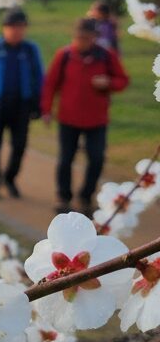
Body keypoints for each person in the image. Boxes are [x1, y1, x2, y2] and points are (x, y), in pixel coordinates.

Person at [41, 17, 130, 215]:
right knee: (65, 159)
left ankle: (86, 196)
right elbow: (50, 84)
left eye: (86, 38)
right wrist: (46, 110)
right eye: (78, 37)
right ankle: (64, 197)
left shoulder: (106, 56)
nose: (81, 42)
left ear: (94, 38)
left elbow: (123, 80)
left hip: (96, 119)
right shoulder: (64, 56)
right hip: (68, 118)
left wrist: (108, 82)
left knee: (96, 159)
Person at [0, 9, 44, 200]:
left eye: (20, 27)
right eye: (12, 27)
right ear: (4, 28)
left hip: (22, 103)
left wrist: (39, 103)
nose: (16, 32)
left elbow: (39, 77)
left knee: (19, 145)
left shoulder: (29, 50)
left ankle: (10, 178)